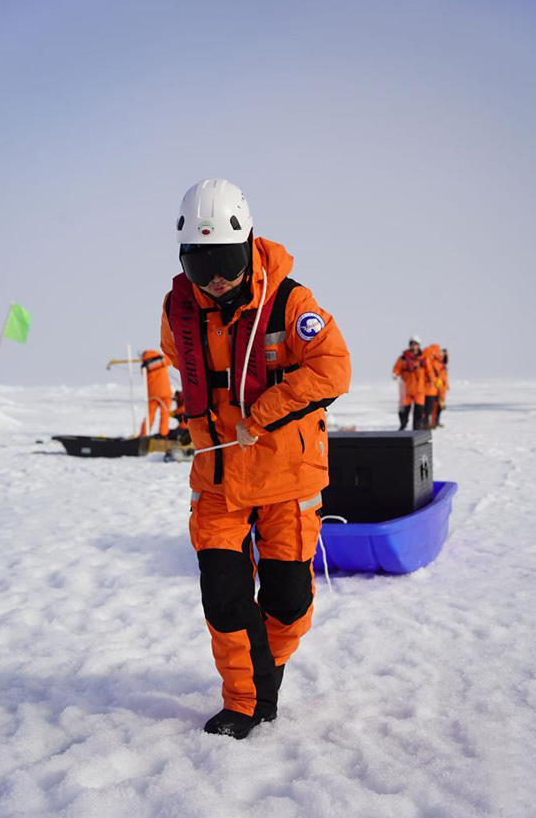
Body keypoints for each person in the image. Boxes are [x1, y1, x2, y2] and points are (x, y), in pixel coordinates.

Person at [160, 178, 351, 739]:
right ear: (184, 259)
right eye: (202, 265)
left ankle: (267, 667)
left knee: (288, 605)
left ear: (248, 244)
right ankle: (243, 700)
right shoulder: (178, 311)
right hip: (217, 479)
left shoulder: (292, 302)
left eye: (226, 261)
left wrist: (263, 411)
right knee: (224, 596)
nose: (216, 278)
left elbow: (333, 367)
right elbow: (180, 359)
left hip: (286, 478)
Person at [393, 336, 426, 429]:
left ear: (418, 345)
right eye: (412, 344)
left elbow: (429, 371)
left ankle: (417, 429)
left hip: (419, 390)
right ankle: (403, 426)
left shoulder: (423, 359)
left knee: (419, 411)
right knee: (403, 411)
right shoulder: (403, 358)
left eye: (415, 344)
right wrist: (395, 374)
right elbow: (396, 368)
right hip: (406, 389)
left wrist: (433, 381)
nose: (413, 346)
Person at [139, 349, 172, 437]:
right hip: (165, 392)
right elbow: (173, 359)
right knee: (165, 413)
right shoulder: (163, 360)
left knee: (149, 414)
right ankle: (163, 434)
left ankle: (143, 434)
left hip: (152, 394)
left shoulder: (145, 366)